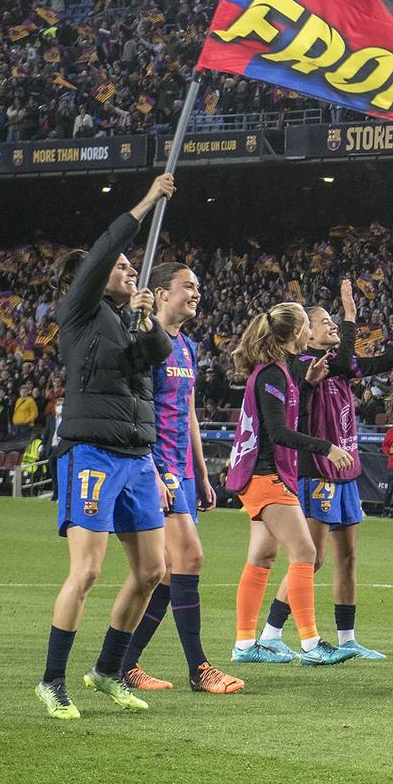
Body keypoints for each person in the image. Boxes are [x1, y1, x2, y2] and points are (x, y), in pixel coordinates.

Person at [37, 174, 179, 719]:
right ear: (90, 279)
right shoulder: (79, 311)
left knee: (151, 571)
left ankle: (107, 670)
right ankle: (52, 680)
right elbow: (103, 250)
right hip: (91, 453)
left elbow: (154, 358)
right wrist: (148, 200)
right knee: (89, 572)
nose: (128, 270)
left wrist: (145, 320)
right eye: (123, 267)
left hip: (136, 457)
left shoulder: (123, 321)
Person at [259, 278, 393, 662]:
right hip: (317, 469)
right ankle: (271, 633)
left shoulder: (339, 367)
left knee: (348, 557)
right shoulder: (301, 363)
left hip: (346, 471)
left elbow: (381, 362)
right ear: (306, 333)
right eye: (325, 322)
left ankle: (348, 638)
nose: (333, 324)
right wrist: (352, 315)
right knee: (312, 558)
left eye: (336, 320)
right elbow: (342, 362)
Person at [117, 262, 243, 695]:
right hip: (155, 467)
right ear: (162, 293)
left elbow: (187, 411)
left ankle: (124, 663)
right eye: (188, 286)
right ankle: (200, 668)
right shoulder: (148, 344)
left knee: (170, 574)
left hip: (183, 471)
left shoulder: (187, 346)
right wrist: (151, 468)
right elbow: (137, 407)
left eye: (199, 286)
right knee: (190, 558)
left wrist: (203, 472)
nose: (196, 293)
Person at [225, 303, 355, 667]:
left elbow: (283, 419)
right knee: (306, 553)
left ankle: (245, 644)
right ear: (297, 333)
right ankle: (312, 644)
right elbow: (279, 432)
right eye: (305, 328)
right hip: (267, 475)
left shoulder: (276, 372)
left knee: (262, 557)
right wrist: (326, 447)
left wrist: (309, 386)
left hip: (261, 474)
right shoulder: (272, 374)